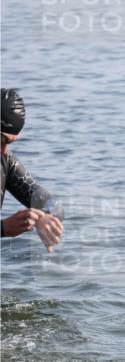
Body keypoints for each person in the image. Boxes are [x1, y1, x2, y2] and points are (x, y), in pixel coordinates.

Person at [1, 88, 64, 252]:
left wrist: (44, 217)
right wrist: (3, 228)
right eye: (1, 139)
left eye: (9, 143)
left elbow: (53, 204)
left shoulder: (6, 164)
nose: (4, 150)